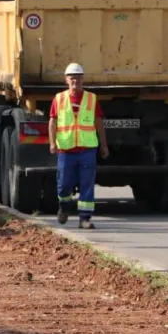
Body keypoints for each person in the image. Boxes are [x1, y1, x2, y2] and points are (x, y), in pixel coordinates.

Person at [48, 62, 109, 230]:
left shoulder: (91, 99)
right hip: (66, 150)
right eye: (72, 78)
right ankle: (64, 206)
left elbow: (99, 122)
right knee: (64, 184)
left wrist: (104, 146)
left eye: (78, 78)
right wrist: (52, 142)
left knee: (87, 184)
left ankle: (85, 219)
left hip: (87, 149)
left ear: (83, 79)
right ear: (66, 80)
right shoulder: (59, 99)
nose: (75, 81)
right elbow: (52, 122)